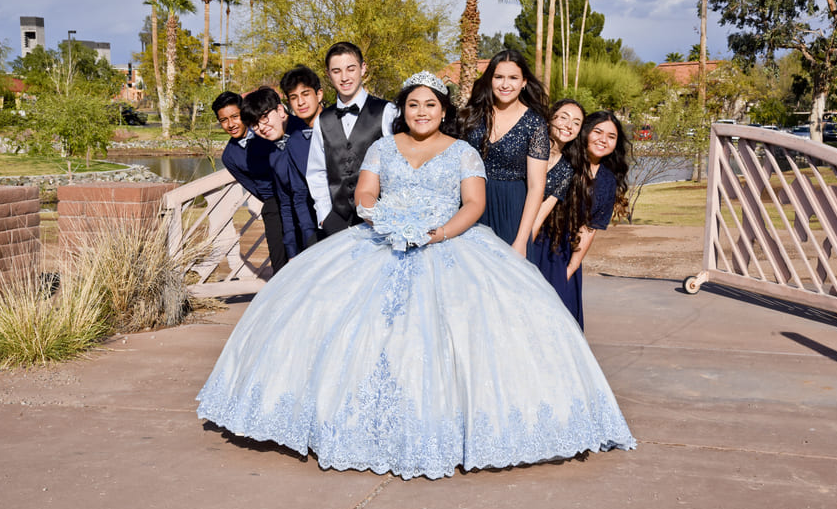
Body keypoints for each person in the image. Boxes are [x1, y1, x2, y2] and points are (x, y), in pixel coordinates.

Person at [197, 72, 635, 481]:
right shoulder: (384, 148)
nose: (421, 112)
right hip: (383, 239)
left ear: (443, 110)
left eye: (429, 104)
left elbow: (474, 204)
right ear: (403, 110)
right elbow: (365, 191)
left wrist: (438, 232)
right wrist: (381, 216)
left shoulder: (463, 151)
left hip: (451, 244)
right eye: (412, 105)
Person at [529, 110, 630, 329]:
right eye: (598, 132)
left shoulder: (607, 180)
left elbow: (589, 228)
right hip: (536, 243)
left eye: (611, 137)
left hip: (564, 255)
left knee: (560, 324)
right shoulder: (564, 163)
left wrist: (569, 269)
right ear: (585, 133)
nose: (603, 139)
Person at [460, 49, 550, 256]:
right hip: (469, 205)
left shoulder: (534, 123)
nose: (505, 84)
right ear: (490, 80)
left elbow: (537, 187)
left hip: (512, 211)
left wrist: (521, 239)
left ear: (524, 82)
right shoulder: (472, 116)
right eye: (498, 77)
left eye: (513, 78)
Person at [305, 42, 399, 237]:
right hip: (337, 221)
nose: (345, 77)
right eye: (337, 71)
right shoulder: (322, 120)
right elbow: (316, 172)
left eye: (351, 68)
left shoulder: (386, 111)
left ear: (363, 68)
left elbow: (398, 165)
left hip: (380, 219)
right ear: (328, 74)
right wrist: (325, 215)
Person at [214, 91, 288, 274]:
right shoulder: (229, 156)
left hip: (299, 193)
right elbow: (254, 187)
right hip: (274, 201)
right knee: (280, 260)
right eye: (224, 120)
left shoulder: (266, 131)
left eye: (235, 117)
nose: (230, 124)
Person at [240, 86, 317, 258]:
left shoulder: (310, 133)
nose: (262, 127)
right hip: (305, 234)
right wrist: (291, 248)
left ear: (280, 110)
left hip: (332, 227)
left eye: (265, 117)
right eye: (254, 125)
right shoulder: (273, 152)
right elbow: (285, 201)